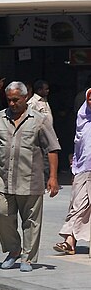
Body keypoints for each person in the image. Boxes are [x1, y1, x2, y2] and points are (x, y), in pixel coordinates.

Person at [0, 81, 61, 272]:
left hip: (30, 179)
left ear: (25, 98)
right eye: (9, 100)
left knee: (31, 221)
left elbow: (52, 149)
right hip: (4, 179)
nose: (12, 104)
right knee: (2, 214)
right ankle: (14, 250)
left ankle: (27, 258)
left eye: (16, 100)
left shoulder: (39, 119)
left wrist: (53, 177)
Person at [55, 87, 91, 256]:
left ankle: (70, 241)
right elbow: (79, 146)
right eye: (89, 99)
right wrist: (74, 167)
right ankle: (70, 241)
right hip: (83, 168)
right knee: (77, 205)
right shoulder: (82, 120)